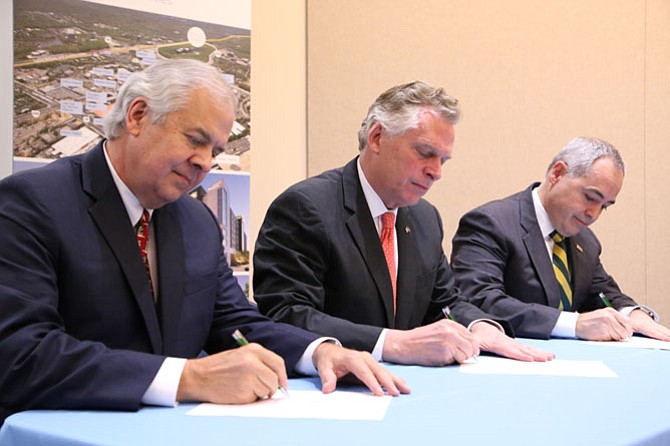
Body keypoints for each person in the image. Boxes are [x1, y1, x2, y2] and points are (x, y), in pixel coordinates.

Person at [0, 59, 411, 425]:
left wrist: (318, 352)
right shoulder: (30, 203)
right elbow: (21, 355)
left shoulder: (195, 218)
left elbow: (233, 323)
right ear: (138, 116)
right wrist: (189, 377)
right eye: (195, 140)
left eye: (215, 149)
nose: (205, 162)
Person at [253, 81, 554, 366]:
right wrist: (391, 343)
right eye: (425, 153)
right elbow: (286, 315)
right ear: (377, 138)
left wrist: (479, 325)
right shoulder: (305, 207)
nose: (436, 172)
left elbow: (445, 301)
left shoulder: (426, 218)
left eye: (443, 160)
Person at [451, 137, 670, 341]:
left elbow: (601, 293)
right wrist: (574, 323)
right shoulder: (490, 223)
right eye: (590, 198)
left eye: (604, 206)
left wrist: (632, 314)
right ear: (558, 173)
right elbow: (478, 301)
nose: (593, 214)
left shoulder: (586, 241)